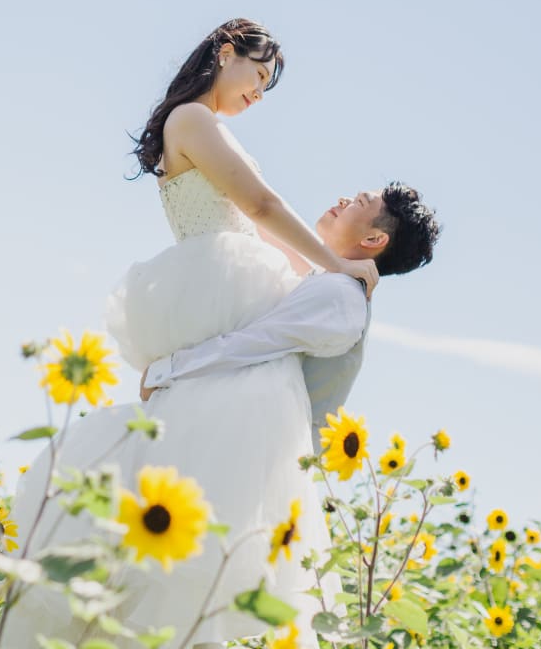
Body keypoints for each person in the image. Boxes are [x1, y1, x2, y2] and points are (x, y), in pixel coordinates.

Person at [0, 19, 381, 649]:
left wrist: (328, 280)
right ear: (225, 54)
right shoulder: (195, 118)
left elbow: (260, 224)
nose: (260, 93)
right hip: (213, 283)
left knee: (207, 494)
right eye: (259, 76)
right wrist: (339, 268)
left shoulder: (208, 125)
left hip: (227, 292)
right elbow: (259, 206)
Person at [140, 183, 441, 453]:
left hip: (253, 454)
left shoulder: (341, 294)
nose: (343, 198)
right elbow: (268, 227)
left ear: (375, 238)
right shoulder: (331, 282)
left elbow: (257, 343)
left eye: (359, 202)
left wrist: (166, 371)